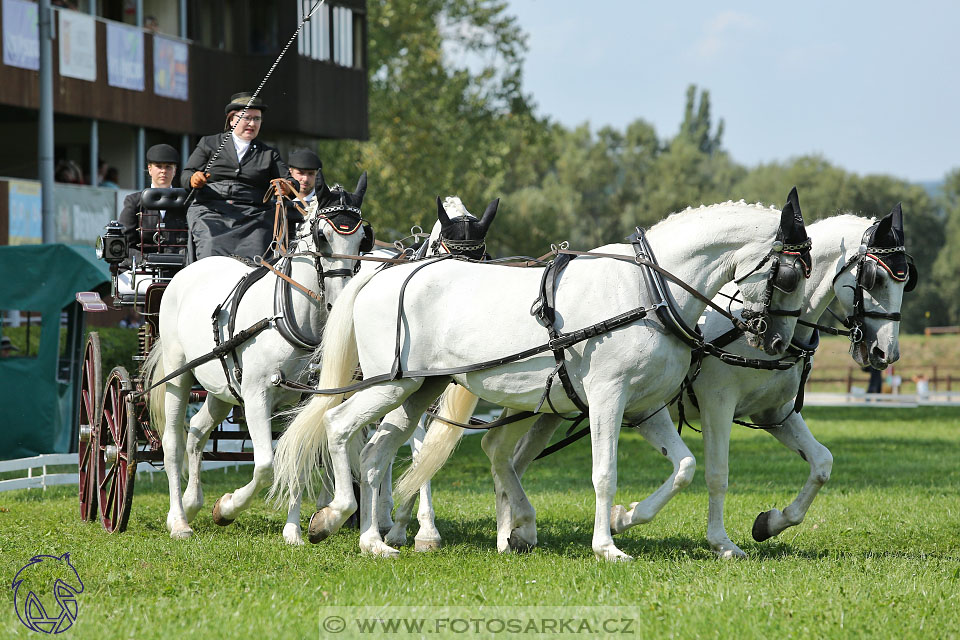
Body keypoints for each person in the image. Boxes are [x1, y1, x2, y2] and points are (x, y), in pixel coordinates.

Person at [181, 92, 295, 262]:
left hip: (253, 216)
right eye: (247, 118)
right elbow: (186, 175)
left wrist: (286, 187)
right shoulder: (209, 143)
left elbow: (291, 183)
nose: (252, 123)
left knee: (257, 257)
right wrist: (194, 179)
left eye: (257, 119)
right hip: (211, 211)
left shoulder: (269, 154)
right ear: (232, 120)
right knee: (211, 246)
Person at [117, 143, 186, 295]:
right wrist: (146, 260)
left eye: (168, 167)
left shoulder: (186, 204)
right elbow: (124, 242)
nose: (163, 171)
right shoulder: (134, 202)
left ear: (174, 171)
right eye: (159, 166)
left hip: (179, 271)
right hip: (143, 270)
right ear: (150, 169)